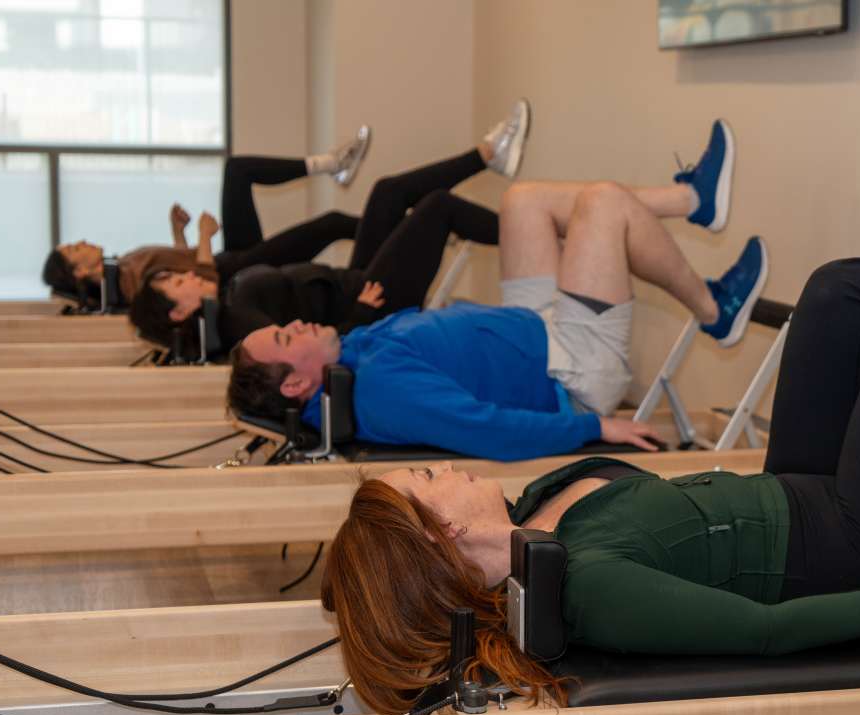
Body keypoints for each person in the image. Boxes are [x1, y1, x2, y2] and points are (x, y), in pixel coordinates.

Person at [317, 161, 860, 715]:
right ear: (448, 534)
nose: (445, 469)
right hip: (857, 536)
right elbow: (768, 633)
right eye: (429, 480)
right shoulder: (588, 586)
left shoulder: (537, 511)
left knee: (833, 293)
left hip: (793, 492)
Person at [227, 120, 764, 460]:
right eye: (283, 338)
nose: (294, 323)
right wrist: (595, 426)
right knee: (602, 202)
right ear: (298, 386)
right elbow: (488, 431)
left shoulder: (348, 362)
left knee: (521, 202)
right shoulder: (379, 390)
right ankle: (715, 307)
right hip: (572, 366)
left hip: (532, 326)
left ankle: (692, 200)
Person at [129, 100, 532, 358]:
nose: (187, 275)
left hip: (356, 280)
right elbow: (302, 354)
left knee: (387, 191)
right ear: (181, 310)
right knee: (436, 208)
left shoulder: (233, 299)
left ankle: (487, 156)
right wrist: (358, 316)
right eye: (179, 282)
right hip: (373, 302)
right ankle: (534, 237)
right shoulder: (238, 323)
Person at [41, 125, 374, 303]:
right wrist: (202, 236)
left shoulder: (124, 266)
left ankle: (332, 165)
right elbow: (205, 285)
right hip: (238, 272)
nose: (82, 241)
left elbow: (182, 266)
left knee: (237, 170)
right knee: (331, 224)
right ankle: (405, 228)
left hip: (231, 258)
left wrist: (179, 233)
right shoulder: (129, 286)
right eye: (74, 249)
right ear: (80, 272)